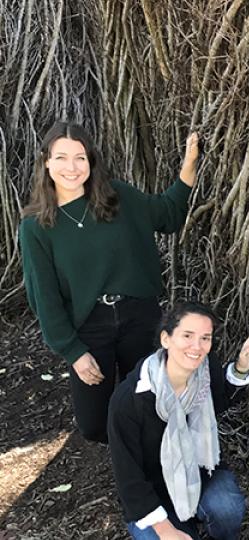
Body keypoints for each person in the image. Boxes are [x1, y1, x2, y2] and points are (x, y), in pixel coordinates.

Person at [19, 122, 199, 443]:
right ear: (46, 162)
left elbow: (167, 214)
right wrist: (73, 351)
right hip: (90, 326)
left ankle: (147, 470)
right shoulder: (36, 227)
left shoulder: (117, 197)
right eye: (61, 158)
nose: (71, 168)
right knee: (94, 425)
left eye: (80, 158)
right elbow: (43, 298)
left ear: (91, 161)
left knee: (148, 404)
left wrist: (190, 162)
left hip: (138, 316)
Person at [108, 302, 249, 540]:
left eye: (205, 338)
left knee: (228, 510)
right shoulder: (129, 401)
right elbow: (129, 478)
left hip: (199, 474)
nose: (197, 347)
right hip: (152, 493)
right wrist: (165, 529)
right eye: (187, 335)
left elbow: (219, 400)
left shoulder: (205, 370)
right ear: (166, 339)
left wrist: (242, 366)